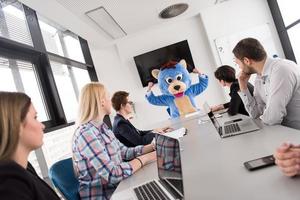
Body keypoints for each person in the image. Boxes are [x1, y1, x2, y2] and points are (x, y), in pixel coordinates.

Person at [72, 82, 157, 200]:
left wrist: (152, 147)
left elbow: (124, 152)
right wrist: (147, 157)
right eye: (108, 97)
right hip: (107, 195)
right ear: (101, 101)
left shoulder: (103, 128)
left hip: (120, 187)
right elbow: (113, 174)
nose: (110, 102)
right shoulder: (85, 133)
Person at [0, 92, 60, 200]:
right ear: (15, 125)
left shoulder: (25, 168)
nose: (43, 125)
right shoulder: (9, 180)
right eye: (35, 117)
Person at [233, 37, 300, 130]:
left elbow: (273, 117)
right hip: (284, 132)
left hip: (295, 134)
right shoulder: (259, 77)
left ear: (247, 61)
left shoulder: (281, 69)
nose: (239, 68)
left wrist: (263, 118)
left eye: (237, 63)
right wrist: (243, 86)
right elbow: (255, 114)